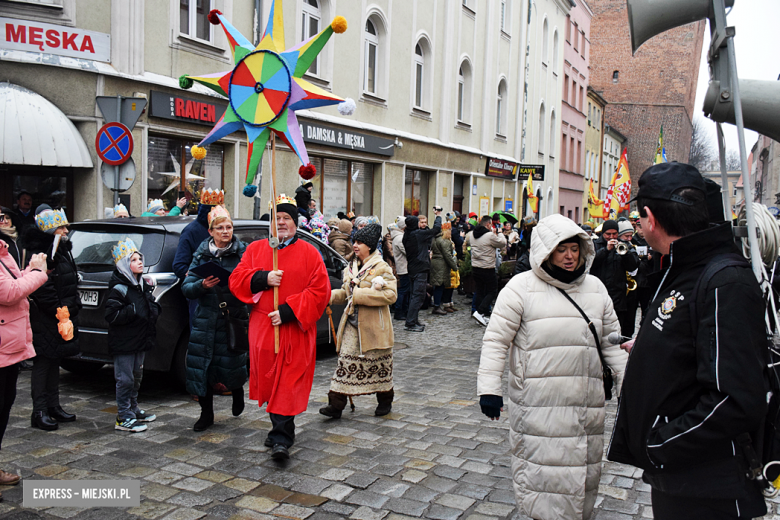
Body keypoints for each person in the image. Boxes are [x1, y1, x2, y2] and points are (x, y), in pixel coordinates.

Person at [608, 163, 768, 520]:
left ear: (649, 217)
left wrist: (659, 445)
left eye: (638, 217)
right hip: (683, 479)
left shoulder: (722, 279)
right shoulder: (683, 266)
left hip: (709, 489)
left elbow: (736, 398)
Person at [477, 214, 628, 520]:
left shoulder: (595, 288)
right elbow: (495, 341)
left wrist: (631, 387)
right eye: (561, 249)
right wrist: (489, 390)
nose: (569, 256)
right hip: (538, 406)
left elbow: (611, 343)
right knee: (545, 480)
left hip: (587, 406)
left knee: (583, 478)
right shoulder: (521, 287)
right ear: (546, 251)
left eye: (574, 248)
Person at [229, 194, 331, 461]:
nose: (282, 223)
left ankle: (281, 438)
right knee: (272, 381)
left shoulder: (310, 252)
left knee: (288, 382)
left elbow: (321, 291)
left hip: (295, 330)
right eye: (277, 218)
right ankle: (280, 426)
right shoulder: (255, 249)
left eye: (287, 218)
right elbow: (237, 280)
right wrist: (263, 277)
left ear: (296, 224)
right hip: (263, 328)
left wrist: (287, 311)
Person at [320, 224, 397, 419]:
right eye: (354, 241)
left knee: (378, 366)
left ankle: (385, 400)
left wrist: (360, 294)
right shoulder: (351, 266)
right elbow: (347, 294)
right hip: (352, 324)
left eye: (359, 242)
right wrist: (326, 297)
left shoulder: (381, 267)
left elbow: (390, 295)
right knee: (345, 364)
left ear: (370, 246)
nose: (355, 245)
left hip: (374, 327)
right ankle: (336, 404)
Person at [182, 206, 248, 431]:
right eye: (220, 228)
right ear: (210, 231)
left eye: (228, 227)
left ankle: (237, 393)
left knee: (233, 365)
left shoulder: (242, 252)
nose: (225, 231)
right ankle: (206, 414)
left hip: (232, 317)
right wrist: (201, 285)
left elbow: (252, 284)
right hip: (206, 320)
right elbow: (186, 287)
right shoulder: (201, 254)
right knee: (203, 369)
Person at [24, 205, 80, 430]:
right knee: (43, 363)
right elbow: (41, 286)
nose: (66, 230)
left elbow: (68, 280)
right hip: (46, 317)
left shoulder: (61, 249)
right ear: (50, 230)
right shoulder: (42, 253)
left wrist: (72, 305)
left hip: (61, 314)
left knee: (55, 360)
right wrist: (59, 310)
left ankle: (53, 405)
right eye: (62, 227)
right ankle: (39, 411)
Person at [0, 244, 47, 492]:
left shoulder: (4, 251)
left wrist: (30, 268)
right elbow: (9, 292)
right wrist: (39, 273)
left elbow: (15, 280)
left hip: (8, 349)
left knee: (5, 407)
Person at [104, 239, 160, 433]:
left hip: (139, 340)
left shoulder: (141, 285)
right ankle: (123, 415)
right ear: (123, 265)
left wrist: (153, 309)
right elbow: (111, 315)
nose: (139, 262)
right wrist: (132, 310)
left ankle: (133, 408)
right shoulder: (119, 288)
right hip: (124, 343)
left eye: (140, 259)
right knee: (125, 379)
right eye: (133, 259)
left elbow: (148, 306)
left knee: (136, 376)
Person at [590, 219, 640, 336]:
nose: (611, 237)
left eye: (615, 234)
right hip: (599, 293)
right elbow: (591, 263)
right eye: (608, 234)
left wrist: (625, 253)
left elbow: (633, 265)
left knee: (619, 328)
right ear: (603, 233)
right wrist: (606, 250)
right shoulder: (595, 244)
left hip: (619, 295)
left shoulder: (625, 244)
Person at [402, 210, 442, 332]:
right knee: (417, 296)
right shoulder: (417, 234)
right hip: (420, 269)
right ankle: (410, 323)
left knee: (415, 296)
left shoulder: (407, 235)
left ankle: (413, 320)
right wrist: (438, 216)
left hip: (413, 268)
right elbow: (435, 230)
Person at [465, 216, 506, 326]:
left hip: (476, 267)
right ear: (488, 224)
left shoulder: (472, 234)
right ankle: (480, 312)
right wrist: (500, 232)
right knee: (492, 291)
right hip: (487, 267)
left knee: (479, 291)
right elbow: (502, 243)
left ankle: (480, 315)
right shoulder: (489, 235)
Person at [430, 222, 459, 315]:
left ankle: (438, 305)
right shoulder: (444, 241)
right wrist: (455, 267)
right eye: (450, 230)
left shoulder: (436, 238)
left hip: (436, 263)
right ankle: (437, 306)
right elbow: (448, 256)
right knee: (440, 285)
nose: (451, 231)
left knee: (438, 285)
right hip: (441, 265)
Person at [391, 216, 409, 321]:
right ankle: (399, 312)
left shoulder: (399, 236)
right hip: (404, 268)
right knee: (403, 291)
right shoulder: (400, 238)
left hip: (403, 267)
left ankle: (402, 311)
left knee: (404, 290)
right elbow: (407, 252)